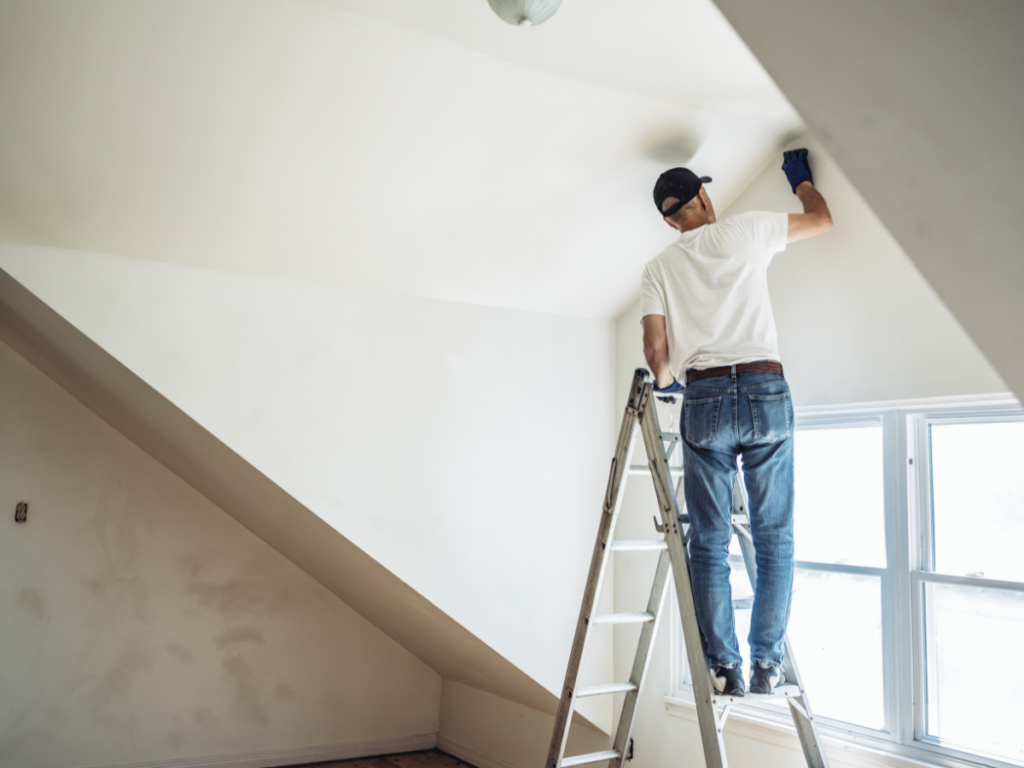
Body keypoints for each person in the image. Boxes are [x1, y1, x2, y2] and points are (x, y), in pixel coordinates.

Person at [640, 149, 833, 697]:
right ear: (703, 198)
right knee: (773, 537)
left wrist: (672, 384)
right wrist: (801, 182)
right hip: (763, 387)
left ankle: (724, 667)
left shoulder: (658, 268)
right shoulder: (745, 231)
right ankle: (767, 664)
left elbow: (657, 354)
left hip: (703, 399)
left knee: (708, 541)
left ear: (669, 219)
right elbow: (822, 220)